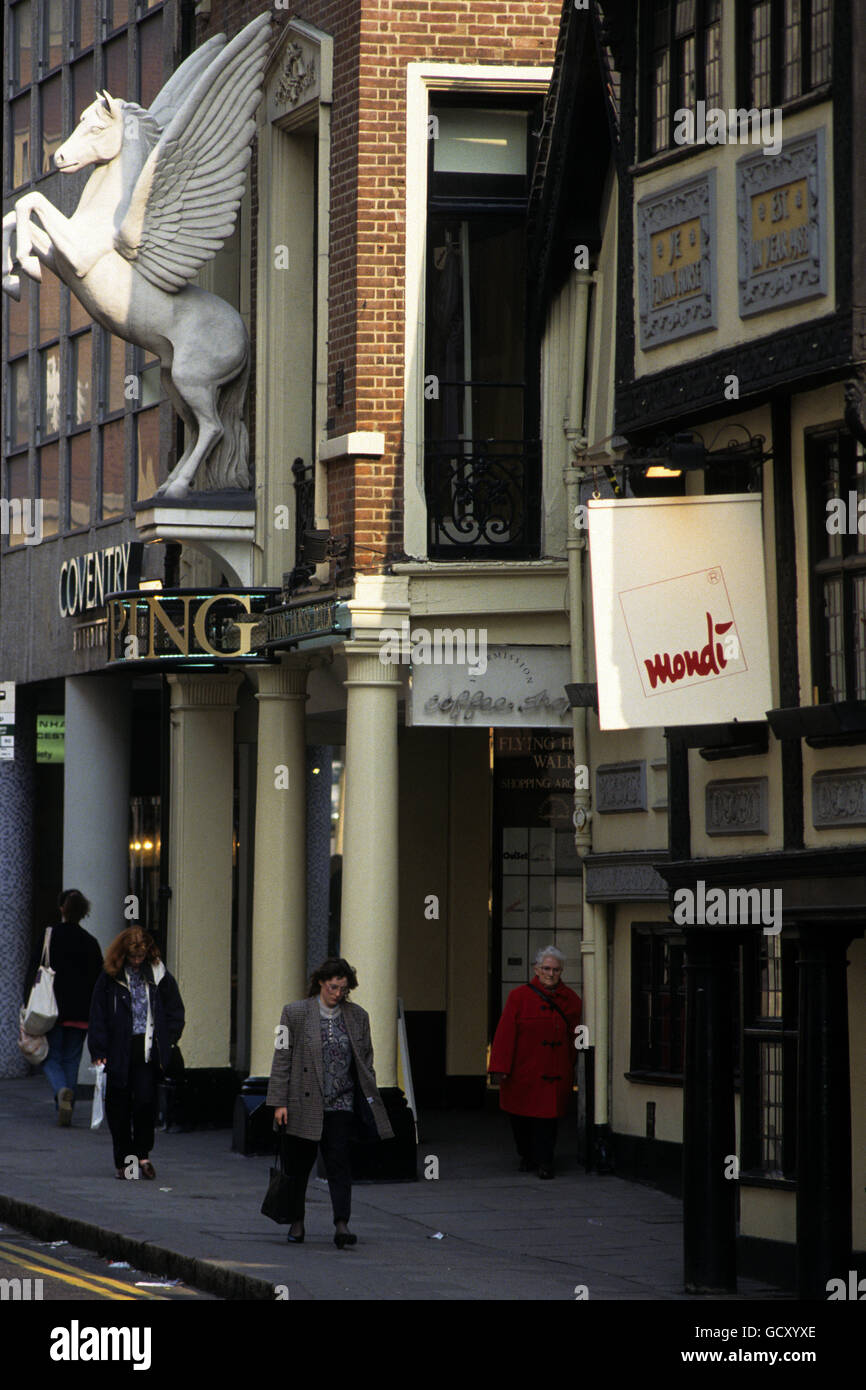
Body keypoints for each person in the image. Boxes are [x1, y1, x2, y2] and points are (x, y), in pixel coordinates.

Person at [267, 957, 394, 1247]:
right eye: (334, 987)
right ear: (321, 982)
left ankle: (341, 1223)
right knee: (298, 1166)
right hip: (302, 1102)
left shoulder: (358, 1016)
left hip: (341, 1102)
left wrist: (369, 1096)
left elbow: (366, 1059)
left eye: (343, 989)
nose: (338, 994)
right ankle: (297, 1222)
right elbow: (281, 1058)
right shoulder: (294, 1013)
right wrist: (279, 1103)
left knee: (339, 1163)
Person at [88, 927, 185, 1180]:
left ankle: (142, 1154)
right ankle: (124, 1160)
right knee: (118, 1104)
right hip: (118, 1047)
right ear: (123, 955)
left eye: (140, 957)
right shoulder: (109, 977)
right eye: (132, 957)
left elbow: (175, 1009)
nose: (136, 962)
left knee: (145, 1101)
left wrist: (168, 1040)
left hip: (147, 1047)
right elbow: (97, 1014)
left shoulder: (158, 974)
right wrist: (98, 1050)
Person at [489, 945, 582, 1178]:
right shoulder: (518, 997)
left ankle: (545, 1161)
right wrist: (500, 1068)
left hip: (553, 1072)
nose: (551, 974)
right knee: (520, 1119)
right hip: (523, 1071)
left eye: (556, 970)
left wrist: (571, 1066)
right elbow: (505, 1034)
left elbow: (575, 1037)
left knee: (548, 1121)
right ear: (536, 970)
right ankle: (527, 1155)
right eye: (547, 969)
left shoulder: (571, 1000)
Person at [24, 889, 103, 1127]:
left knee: (48, 1056)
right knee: (71, 1059)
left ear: (62, 909)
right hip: (81, 1012)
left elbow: (33, 970)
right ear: (83, 913)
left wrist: (25, 1000)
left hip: (52, 1009)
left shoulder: (50, 936)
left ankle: (61, 1092)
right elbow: (99, 979)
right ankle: (65, 1104)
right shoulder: (91, 942)